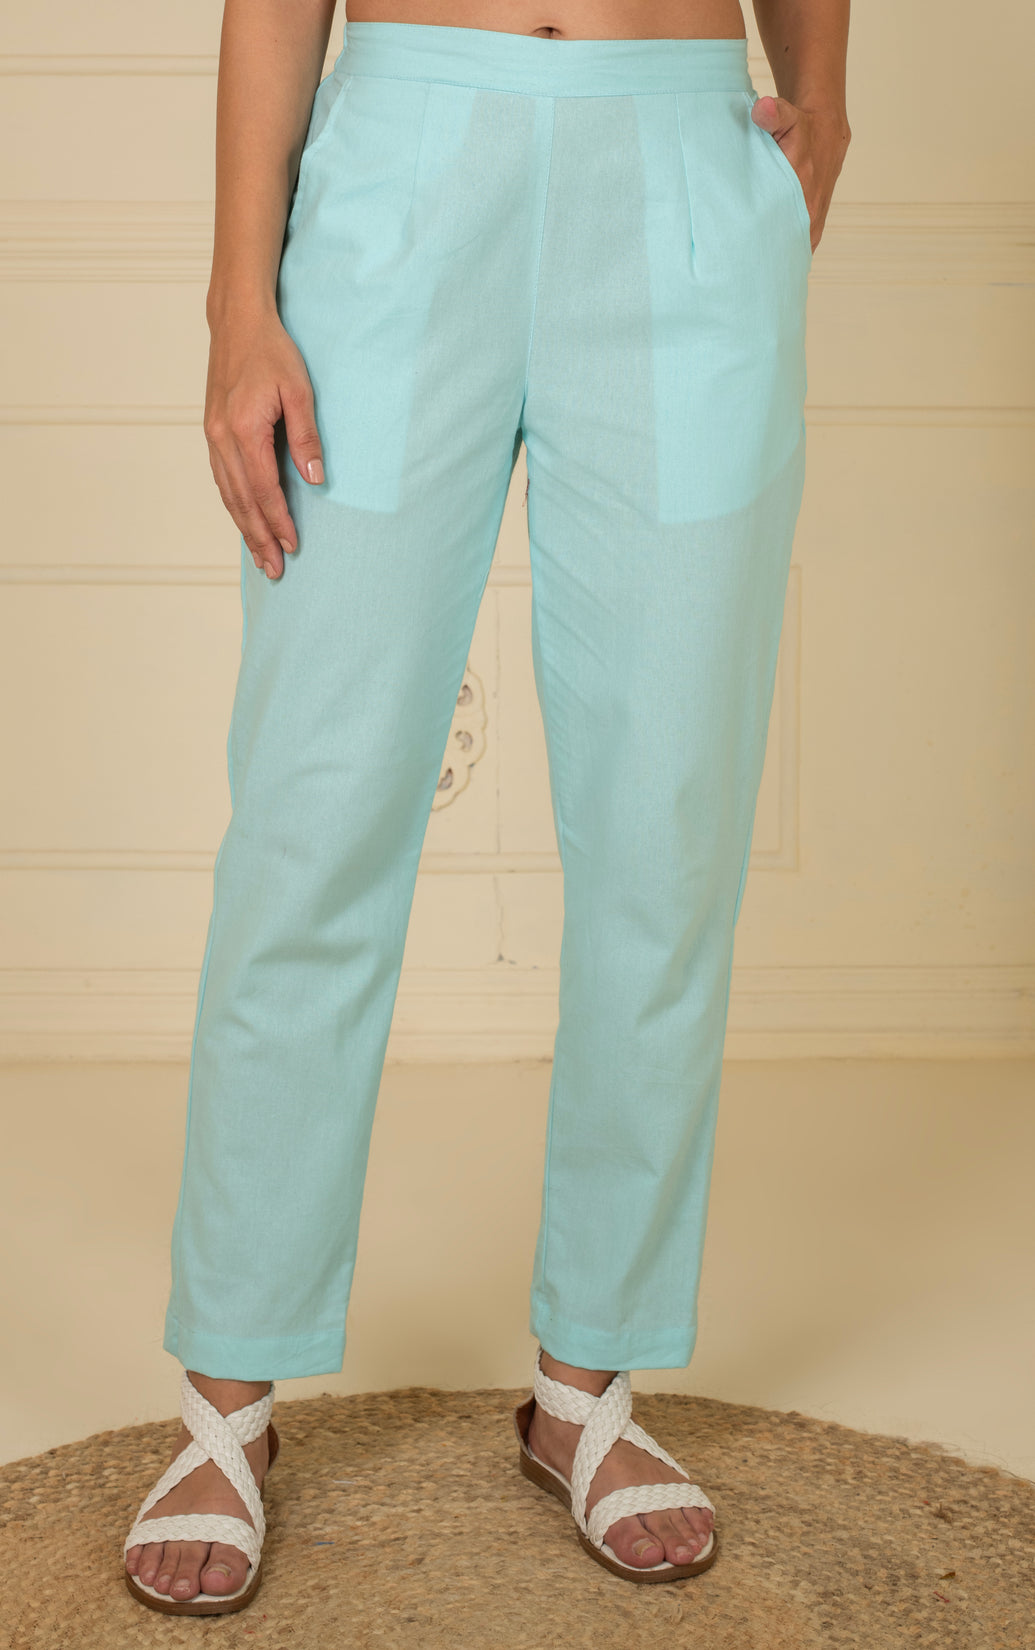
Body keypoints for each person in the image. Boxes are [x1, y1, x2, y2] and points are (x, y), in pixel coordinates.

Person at [121, 0, 851, 1617]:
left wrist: (827, 97)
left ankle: (590, 1377)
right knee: (314, 811)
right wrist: (240, 302)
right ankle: (228, 1382)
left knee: (667, 824)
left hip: (684, 166)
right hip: (403, 170)